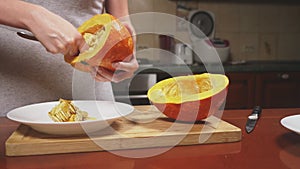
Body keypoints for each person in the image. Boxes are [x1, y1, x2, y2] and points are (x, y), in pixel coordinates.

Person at [0, 0, 139, 116]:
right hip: (9, 104)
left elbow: (121, 22)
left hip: (93, 105)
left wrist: (125, 57)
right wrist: (31, 15)